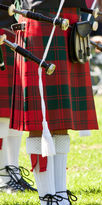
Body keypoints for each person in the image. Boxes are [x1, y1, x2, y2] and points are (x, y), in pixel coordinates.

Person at [10, 0, 102, 205]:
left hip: (69, 19)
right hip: (42, 19)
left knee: (60, 121)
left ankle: (61, 202)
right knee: (40, 121)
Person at [0, 0, 36, 193]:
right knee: (2, 115)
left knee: (13, 113)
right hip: (1, 35)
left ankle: (12, 171)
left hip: (13, 34)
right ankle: (3, 177)